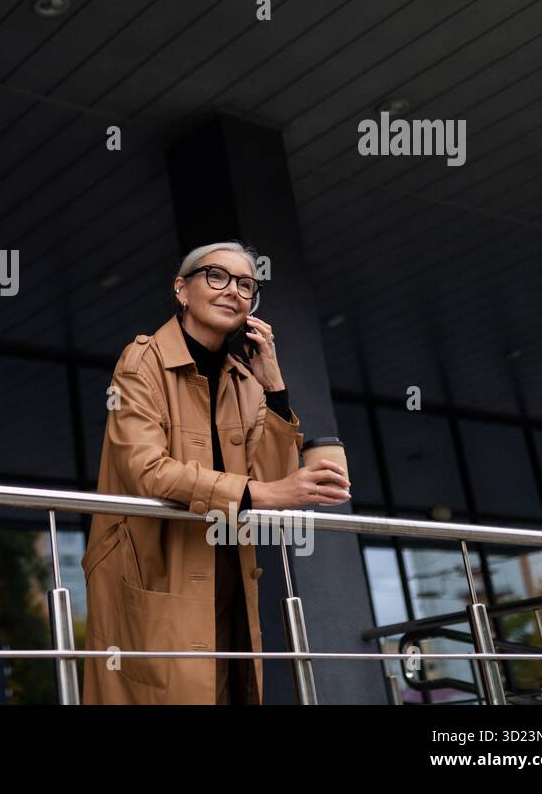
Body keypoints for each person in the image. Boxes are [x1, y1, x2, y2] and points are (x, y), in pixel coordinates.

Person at [81, 240, 350, 704]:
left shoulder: (244, 380)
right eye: (217, 277)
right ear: (181, 289)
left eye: (246, 285)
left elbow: (272, 478)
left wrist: (275, 387)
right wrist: (265, 493)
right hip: (156, 568)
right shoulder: (142, 360)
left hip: (227, 572)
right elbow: (145, 470)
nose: (234, 291)